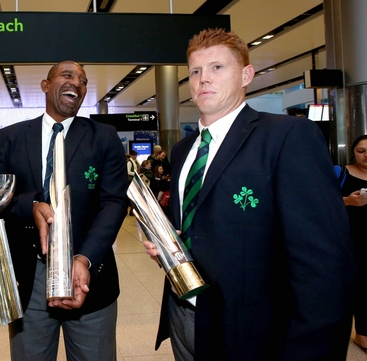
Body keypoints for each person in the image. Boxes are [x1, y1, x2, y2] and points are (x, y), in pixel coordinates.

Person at [143, 28, 356, 361]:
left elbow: (324, 262)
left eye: (217, 68)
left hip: (254, 329)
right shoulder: (184, 149)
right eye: (196, 71)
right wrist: (171, 245)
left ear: (246, 75)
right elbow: (197, 223)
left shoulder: (287, 137)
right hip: (184, 313)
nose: (203, 80)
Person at [0, 60, 128, 361]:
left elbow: (114, 202)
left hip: (89, 276)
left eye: (83, 80)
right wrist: (31, 204)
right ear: (45, 85)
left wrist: (85, 259)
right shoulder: (11, 137)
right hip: (29, 276)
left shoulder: (104, 136)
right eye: (67, 75)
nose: (76, 83)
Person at [340, 135, 367, 351]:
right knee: (360, 287)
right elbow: (321, 201)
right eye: (361, 150)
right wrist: (349, 201)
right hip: (352, 239)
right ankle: (361, 334)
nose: (366, 154)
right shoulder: (341, 173)